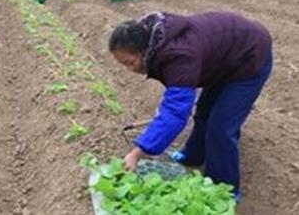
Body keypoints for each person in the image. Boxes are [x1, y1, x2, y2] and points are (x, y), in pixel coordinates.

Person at [109, 11, 272, 201]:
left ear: (144, 50)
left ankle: (224, 191)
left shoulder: (179, 56)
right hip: (224, 60)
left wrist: (138, 152)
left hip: (250, 58)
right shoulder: (154, 36)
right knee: (204, 113)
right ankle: (193, 156)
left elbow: (176, 112)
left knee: (221, 128)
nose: (130, 70)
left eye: (130, 62)